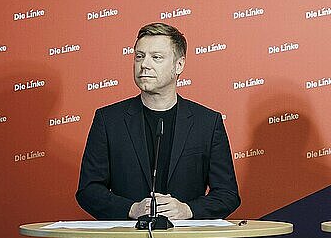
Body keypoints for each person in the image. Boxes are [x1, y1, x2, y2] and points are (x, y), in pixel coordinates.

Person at [76, 23, 240, 220]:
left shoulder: (208, 122)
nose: (144, 64)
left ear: (179, 65)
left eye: (156, 57)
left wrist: (188, 210)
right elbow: (88, 190)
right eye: (139, 56)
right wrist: (131, 209)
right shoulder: (108, 120)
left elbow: (227, 194)